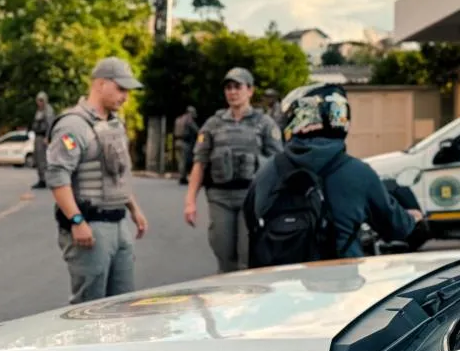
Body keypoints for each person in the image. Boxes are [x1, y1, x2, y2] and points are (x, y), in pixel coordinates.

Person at [243, 82, 422, 267]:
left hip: (280, 285)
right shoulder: (359, 173)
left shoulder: (267, 170)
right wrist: (413, 217)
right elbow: (396, 228)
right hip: (341, 287)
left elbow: (250, 220)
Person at [45, 57, 149, 305]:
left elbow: (118, 174)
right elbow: (58, 177)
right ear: (101, 84)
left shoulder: (115, 124)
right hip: (90, 227)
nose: (125, 96)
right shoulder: (73, 125)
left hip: (118, 224)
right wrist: (77, 220)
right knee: (90, 306)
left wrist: (134, 210)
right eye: (121, 89)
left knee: (124, 303)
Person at [184, 67, 283, 273]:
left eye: (237, 87)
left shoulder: (264, 123)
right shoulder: (213, 124)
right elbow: (200, 162)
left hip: (252, 198)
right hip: (220, 197)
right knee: (223, 251)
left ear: (250, 91)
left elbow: (277, 163)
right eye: (228, 88)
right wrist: (190, 201)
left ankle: (247, 300)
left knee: (247, 255)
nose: (232, 92)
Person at [29, 91, 56, 189]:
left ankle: (46, 179)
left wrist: (48, 137)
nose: (39, 102)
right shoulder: (39, 111)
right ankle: (41, 179)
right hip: (37, 136)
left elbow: (50, 124)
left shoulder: (48, 110)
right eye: (38, 100)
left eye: (41, 100)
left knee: (44, 159)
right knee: (38, 159)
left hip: (44, 136)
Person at [174, 105, 201, 185]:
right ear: (190, 112)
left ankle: (182, 176)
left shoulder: (178, 119)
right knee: (185, 161)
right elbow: (197, 131)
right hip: (185, 142)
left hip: (177, 142)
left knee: (180, 160)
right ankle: (183, 178)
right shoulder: (189, 120)